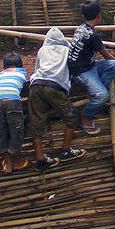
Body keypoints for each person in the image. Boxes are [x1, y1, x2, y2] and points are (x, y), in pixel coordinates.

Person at [69, 1, 115, 134]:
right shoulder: (92, 35)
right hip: (80, 71)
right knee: (103, 95)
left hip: (88, 64)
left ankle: (93, 92)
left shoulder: (81, 28)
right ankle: (85, 116)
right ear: (99, 16)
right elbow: (106, 55)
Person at [27, 27, 82, 168]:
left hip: (36, 85)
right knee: (72, 117)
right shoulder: (67, 50)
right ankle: (65, 150)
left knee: (37, 123)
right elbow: (74, 69)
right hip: (55, 87)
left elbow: (37, 68)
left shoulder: (42, 50)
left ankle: (40, 158)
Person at [0, 52, 29, 173]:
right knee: (16, 130)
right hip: (12, 101)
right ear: (20, 65)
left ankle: (8, 163)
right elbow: (26, 87)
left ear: (4, 67)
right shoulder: (22, 73)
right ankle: (17, 161)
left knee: (0, 131)